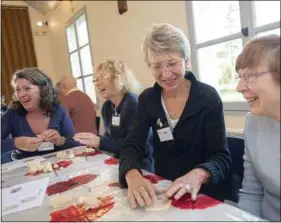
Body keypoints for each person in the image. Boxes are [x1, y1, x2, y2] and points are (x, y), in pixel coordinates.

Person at [118, 23, 232, 209]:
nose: (165, 74)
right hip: (165, 193)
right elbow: (132, 145)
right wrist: (132, 174)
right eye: (157, 66)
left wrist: (199, 174)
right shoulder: (148, 99)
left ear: (186, 61)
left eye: (172, 63)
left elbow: (221, 157)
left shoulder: (208, 98)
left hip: (204, 196)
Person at [74, 59, 154, 171]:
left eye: (103, 77)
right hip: (119, 164)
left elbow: (138, 147)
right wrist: (92, 140)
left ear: (119, 78)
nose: (97, 83)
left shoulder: (133, 104)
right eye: (95, 80)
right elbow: (109, 139)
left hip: (140, 167)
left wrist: (100, 142)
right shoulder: (107, 107)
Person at [236, 35, 280, 221]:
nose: (239, 87)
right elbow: (251, 194)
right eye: (240, 77)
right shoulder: (253, 122)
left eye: (250, 76)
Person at [1, 67, 79, 163]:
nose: (21, 94)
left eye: (27, 88)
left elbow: (75, 145)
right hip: (24, 170)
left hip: (59, 166)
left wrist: (60, 141)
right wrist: (16, 142)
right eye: (18, 90)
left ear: (42, 90)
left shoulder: (58, 111)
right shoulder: (12, 114)